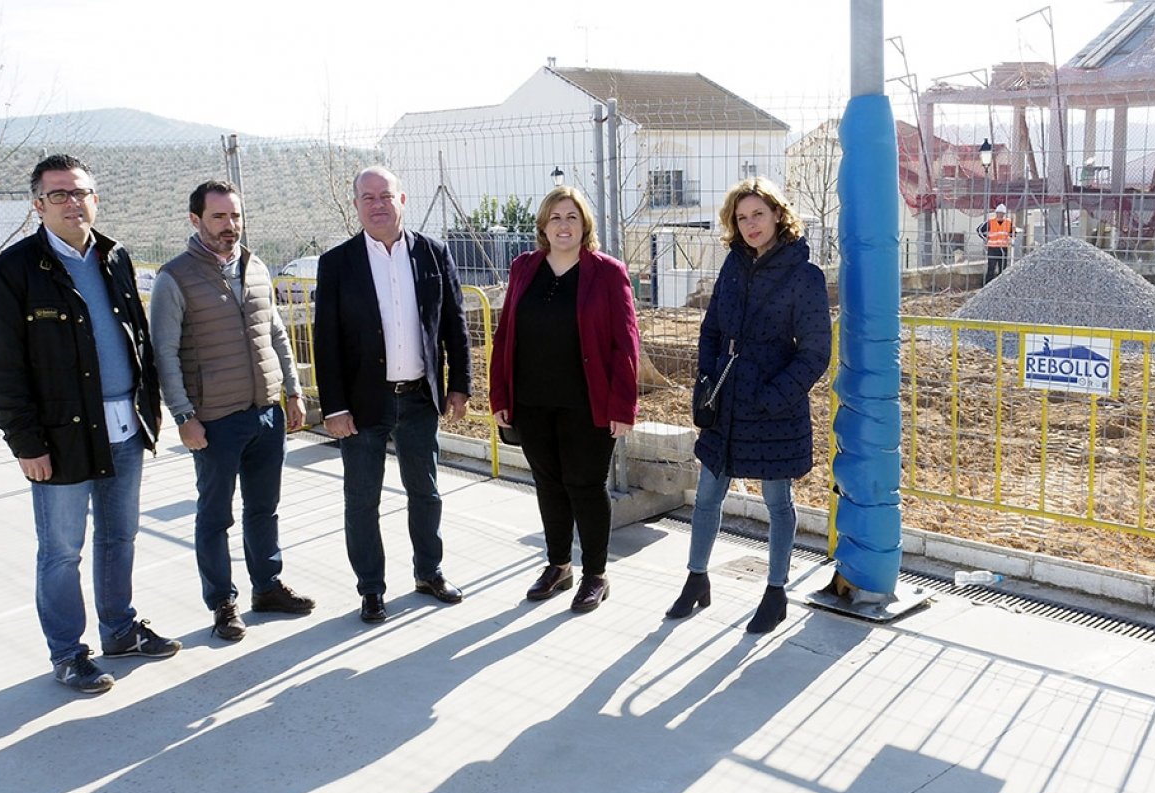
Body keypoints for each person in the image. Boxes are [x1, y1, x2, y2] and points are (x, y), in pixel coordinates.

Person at [0, 154, 181, 693]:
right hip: (60, 436)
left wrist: (151, 410)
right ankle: (68, 653)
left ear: (96, 199)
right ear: (38, 205)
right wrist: (26, 442)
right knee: (62, 550)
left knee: (121, 536)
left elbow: (138, 339)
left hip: (125, 427)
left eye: (80, 192)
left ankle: (120, 629)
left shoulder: (115, 257)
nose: (72, 202)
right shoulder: (14, 271)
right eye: (59, 194)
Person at [149, 181, 316, 641]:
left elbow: (277, 334)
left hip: (265, 412)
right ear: (196, 220)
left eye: (236, 216)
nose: (230, 226)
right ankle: (223, 602)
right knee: (215, 516)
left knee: (264, 508)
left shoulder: (257, 266)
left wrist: (294, 392)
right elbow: (164, 353)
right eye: (219, 217)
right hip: (214, 420)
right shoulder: (175, 277)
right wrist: (183, 416)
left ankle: (267, 587)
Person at [666, 177, 830, 634]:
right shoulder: (733, 267)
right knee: (706, 497)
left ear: (778, 214)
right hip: (725, 399)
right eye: (742, 217)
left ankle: (776, 592)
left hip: (773, 406)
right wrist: (705, 379)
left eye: (759, 214)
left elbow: (815, 352)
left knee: (777, 501)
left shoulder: (804, 275)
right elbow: (712, 329)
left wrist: (773, 397)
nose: (751, 224)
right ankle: (696, 579)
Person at [313, 166, 473, 624]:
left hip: (420, 399)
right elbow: (326, 342)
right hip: (362, 405)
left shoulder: (433, 254)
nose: (378, 205)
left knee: (426, 492)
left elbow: (454, 324)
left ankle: (430, 572)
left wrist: (459, 385)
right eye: (368, 197)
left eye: (386, 196)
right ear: (357, 205)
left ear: (403, 199)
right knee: (362, 501)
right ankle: (371, 589)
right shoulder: (338, 264)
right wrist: (335, 407)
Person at [489, 186, 639, 614]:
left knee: (586, 486)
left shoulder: (607, 273)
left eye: (571, 216)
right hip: (532, 400)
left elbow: (626, 344)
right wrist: (500, 394)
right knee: (548, 484)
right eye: (555, 217)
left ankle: (595, 573)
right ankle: (558, 565)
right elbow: (505, 337)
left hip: (586, 402)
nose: (563, 225)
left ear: (585, 224)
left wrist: (622, 407)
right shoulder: (523, 268)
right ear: (542, 225)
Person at [976, 203, 1013, 285]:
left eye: (1002, 213)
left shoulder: (1008, 222)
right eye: (999, 213)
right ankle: (987, 285)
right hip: (992, 248)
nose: (1000, 215)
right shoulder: (990, 222)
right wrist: (986, 238)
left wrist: (1011, 239)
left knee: (1003, 268)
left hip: (1003, 248)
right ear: (996, 213)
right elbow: (979, 230)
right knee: (991, 268)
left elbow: (1012, 234)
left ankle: (1001, 285)